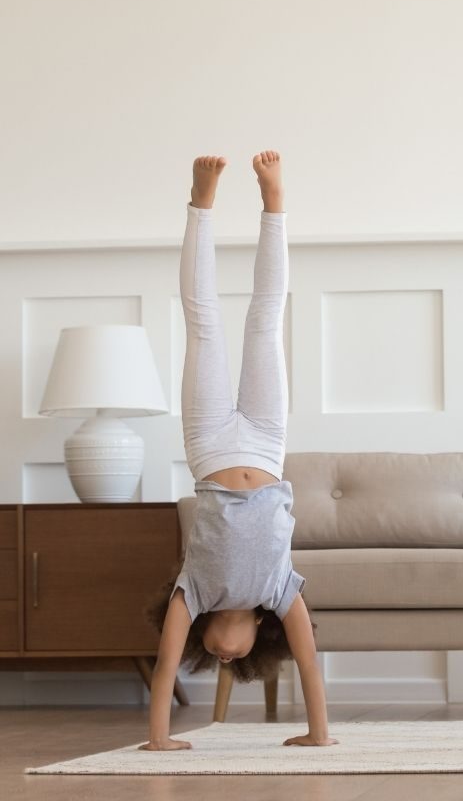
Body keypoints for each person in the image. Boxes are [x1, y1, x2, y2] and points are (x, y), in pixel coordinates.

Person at [141, 152, 336, 751]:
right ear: (259, 637)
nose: (225, 658)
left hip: (208, 445)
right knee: (265, 320)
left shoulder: (191, 593)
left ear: (203, 635)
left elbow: (165, 668)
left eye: (215, 659)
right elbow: (309, 665)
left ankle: (201, 205)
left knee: (203, 323)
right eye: (238, 662)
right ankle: (274, 203)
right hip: (267, 443)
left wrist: (159, 741)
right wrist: (318, 736)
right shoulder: (281, 591)